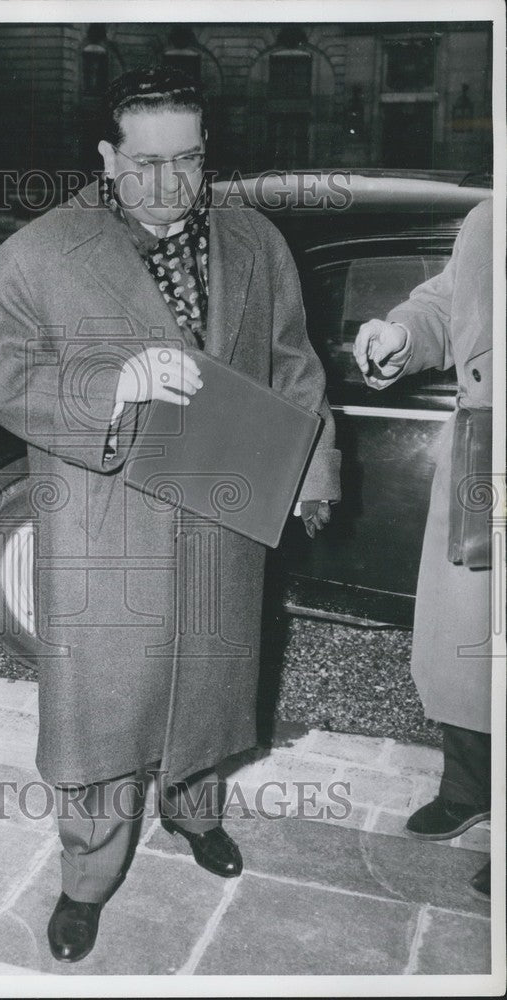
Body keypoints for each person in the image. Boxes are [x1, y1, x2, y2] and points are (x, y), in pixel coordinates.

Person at [0, 66, 340, 962]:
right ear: (105, 155)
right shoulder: (38, 253)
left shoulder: (256, 242)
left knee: (212, 692)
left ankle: (194, 812)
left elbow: (294, 364)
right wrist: (112, 387)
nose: (172, 187)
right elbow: (2, 379)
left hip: (223, 517)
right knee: (102, 717)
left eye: (191, 161)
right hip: (104, 529)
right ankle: (87, 879)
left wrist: (314, 473)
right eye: (145, 164)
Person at [353, 198, 493, 900]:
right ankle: (470, 786)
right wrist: (401, 335)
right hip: (483, 449)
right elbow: (445, 303)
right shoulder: (489, 218)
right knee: (463, 635)